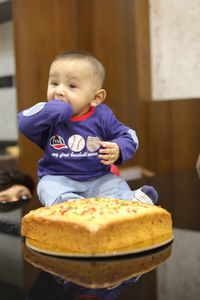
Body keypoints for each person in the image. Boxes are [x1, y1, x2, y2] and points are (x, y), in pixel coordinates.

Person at [18, 50, 158, 207]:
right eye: (54, 83)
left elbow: (130, 135)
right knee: (47, 187)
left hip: (98, 178)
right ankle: (68, 204)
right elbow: (24, 123)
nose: (59, 91)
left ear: (96, 97)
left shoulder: (102, 115)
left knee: (115, 184)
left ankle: (130, 201)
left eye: (72, 86)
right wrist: (51, 111)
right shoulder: (46, 116)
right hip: (58, 177)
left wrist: (119, 148)